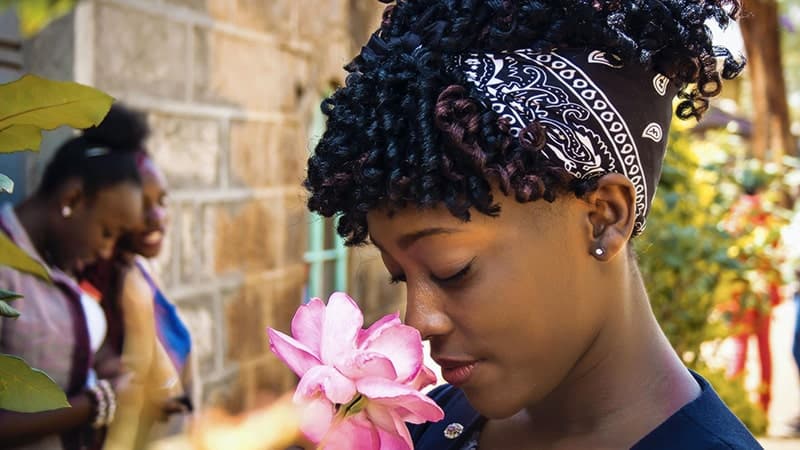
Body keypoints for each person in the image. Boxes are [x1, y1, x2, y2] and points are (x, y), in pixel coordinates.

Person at [304, 0, 761, 448]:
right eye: (401, 276)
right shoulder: (422, 429)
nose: (417, 321)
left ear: (604, 219)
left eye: (452, 270)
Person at [0, 108, 144, 449]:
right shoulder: (6, 267)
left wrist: (111, 368)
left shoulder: (60, 262)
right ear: (72, 200)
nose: (107, 250)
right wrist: (96, 404)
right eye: (108, 232)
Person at [80, 104, 192, 449]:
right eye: (141, 204)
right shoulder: (88, 292)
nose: (157, 217)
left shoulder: (138, 273)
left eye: (162, 200)